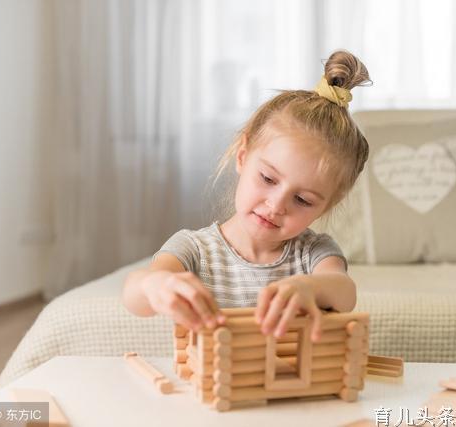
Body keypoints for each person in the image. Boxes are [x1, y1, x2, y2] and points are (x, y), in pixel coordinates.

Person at [122, 50, 371, 342]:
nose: (276, 205)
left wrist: (310, 288)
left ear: (328, 204)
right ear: (242, 156)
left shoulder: (313, 254)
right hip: (214, 385)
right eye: (267, 178)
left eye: (302, 200)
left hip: (289, 386)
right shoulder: (194, 249)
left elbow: (343, 291)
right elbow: (134, 294)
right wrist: (156, 286)